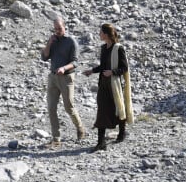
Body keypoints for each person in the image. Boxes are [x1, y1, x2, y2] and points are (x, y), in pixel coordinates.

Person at [83, 23, 133, 152]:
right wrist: (92, 71)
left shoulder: (118, 48)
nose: (99, 35)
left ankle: (122, 133)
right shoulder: (104, 48)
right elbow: (103, 66)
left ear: (106, 34)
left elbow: (124, 68)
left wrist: (112, 72)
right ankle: (101, 142)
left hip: (114, 84)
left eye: (100, 33)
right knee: (102, 110)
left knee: (117, 108)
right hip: (104, 84)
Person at [41, 16, 86, 148]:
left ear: (64, 27)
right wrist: (49, 42)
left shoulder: (71, 41)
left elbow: (75, 62)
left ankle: (80, 128)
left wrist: (64, 68)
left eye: (59, 28)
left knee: (69, 107)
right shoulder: (53, 40)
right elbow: (44, 57)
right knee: (51, 107)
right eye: (55, 29)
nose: (57, 31)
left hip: (66, 78)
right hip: (53, 77)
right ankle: (56, 139)